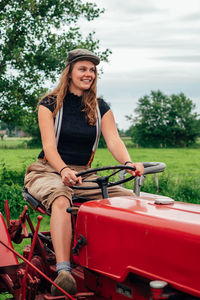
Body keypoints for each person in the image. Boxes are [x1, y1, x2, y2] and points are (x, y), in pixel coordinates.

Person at [24, 48, 144, 296]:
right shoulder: (49, 104)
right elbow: (49, 146)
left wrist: (129, 163)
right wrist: (64, 169)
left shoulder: (100, 107)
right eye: (83, 69)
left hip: (85, 173)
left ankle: (128, 262)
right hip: (47, 169)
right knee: (61, 197)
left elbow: (114, 141)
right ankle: (64, 271)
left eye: (92, 70)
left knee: (132, 201)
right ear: (69, 72)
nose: (88, 74)